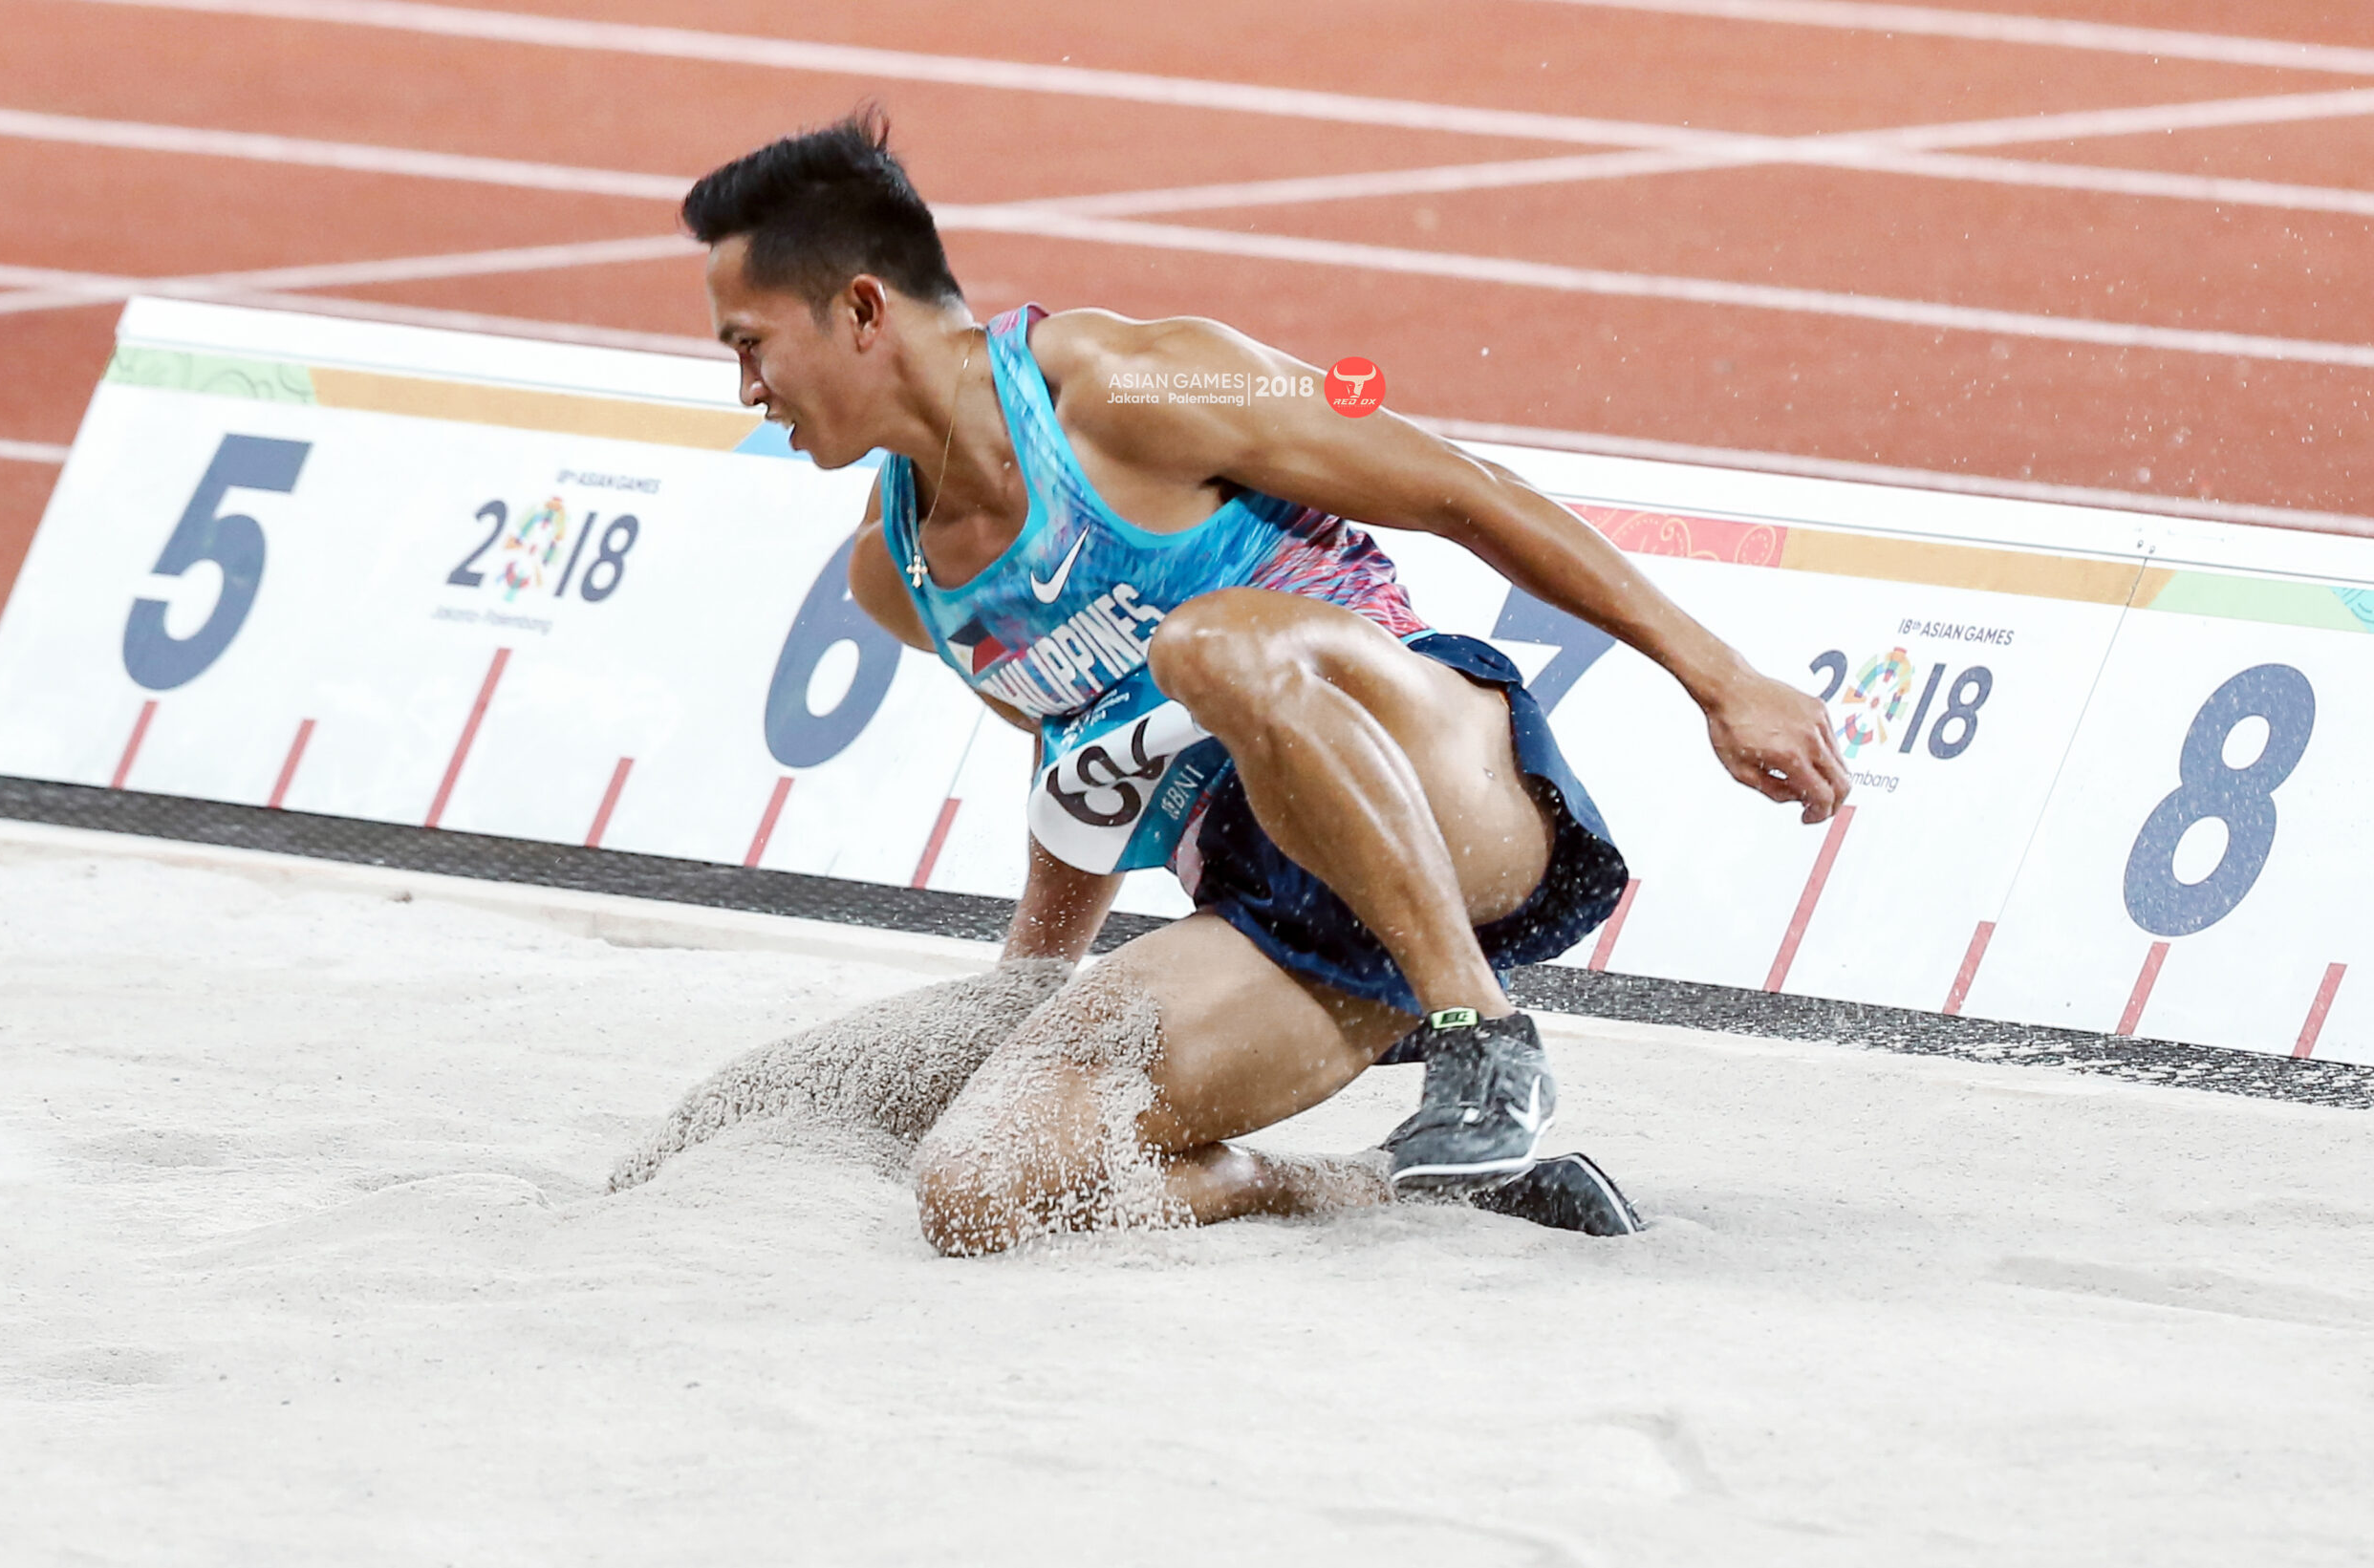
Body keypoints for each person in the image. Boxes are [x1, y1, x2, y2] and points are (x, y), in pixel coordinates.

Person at [680, 110, 1848, 1257]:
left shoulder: (1133, 386)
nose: (747, 389)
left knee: (1208, 646)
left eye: (748, 343)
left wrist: (1720, 678)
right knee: (984, 1188)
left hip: (1442, 782)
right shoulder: (901, 573)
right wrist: (1030, 983)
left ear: (862, 309)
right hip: (1277, 908)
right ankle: (1396, 1184)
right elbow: (1084, 767)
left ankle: (1488, 1046)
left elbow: (1464, 490)